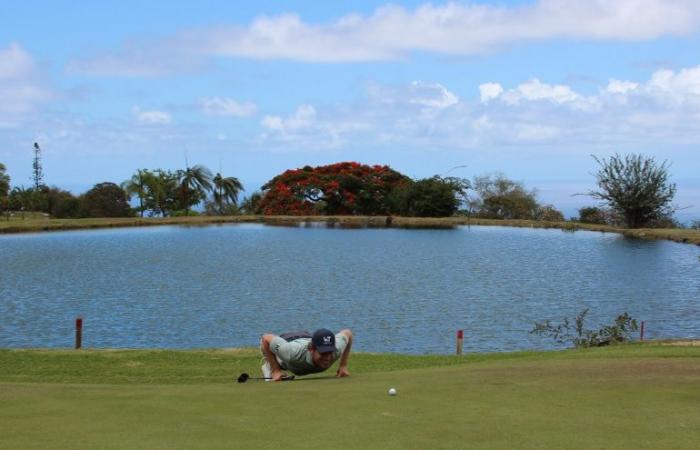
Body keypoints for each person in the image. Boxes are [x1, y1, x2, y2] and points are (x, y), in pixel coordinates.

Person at [260, 328, 353, 381]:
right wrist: (276, 371)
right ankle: (269, 365)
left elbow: (348, 333)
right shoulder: (291, 352)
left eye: (329, 352)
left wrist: (343, 366)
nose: (327, 357)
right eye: (323, 353)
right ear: (311, 349)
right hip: (288, 340)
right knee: (281, 359)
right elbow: (265, 338)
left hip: (306, 336)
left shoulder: (337, 350)